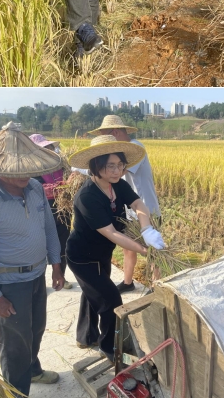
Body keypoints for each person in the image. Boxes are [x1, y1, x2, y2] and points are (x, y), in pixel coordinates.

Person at [0, 122, 64, 397]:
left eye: (28, 167)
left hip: (37, 276)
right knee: (14, 345)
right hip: (9, 285)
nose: (25, 174)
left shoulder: (35, 188)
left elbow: (49, 228)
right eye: (16, 169)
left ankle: (33, 370)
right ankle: (16, 392)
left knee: (35, 330)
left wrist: (56, 265)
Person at [67, 135, 165, 362]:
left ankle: (85, 337)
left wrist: (146, 229)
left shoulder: (118, 185)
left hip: (102, 253)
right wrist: (146, 250)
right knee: (111, 300)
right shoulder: (88, 196)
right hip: (82, 257)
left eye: (120, 165)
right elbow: (112, 233)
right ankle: (109, 347)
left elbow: (138, 203)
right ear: (96, 166)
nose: (117, 171)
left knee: (93, 293)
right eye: (110, 166)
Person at [88, 115, 161, 293]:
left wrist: (86, 169)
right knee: (128, 249)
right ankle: (128, 282)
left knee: (153, 250)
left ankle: (155, 286)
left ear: (115, 132)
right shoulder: (118, 153)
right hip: (130, 212)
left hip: (146, 210)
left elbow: (116, 173)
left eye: (106, 136)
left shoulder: (136, 148)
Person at [29, 134, 73, 289]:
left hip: (63, 209)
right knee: (40, 245)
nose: (48, 151)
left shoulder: (60, 165)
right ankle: (38, 279)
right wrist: (62, 185)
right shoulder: (31, 169)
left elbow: (69, 179)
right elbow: (38, 188)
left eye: (49, 148)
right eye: (43, 149)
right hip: (41, 209)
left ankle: (61, 276)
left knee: (62, 244)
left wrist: (73, 180)